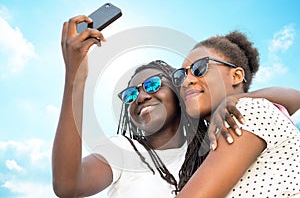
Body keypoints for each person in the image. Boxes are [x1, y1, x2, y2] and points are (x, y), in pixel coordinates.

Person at [52, 15, 300, 198]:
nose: (140, 97)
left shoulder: (221, 133)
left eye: (151, 85)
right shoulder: (126, 150)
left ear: (179, 95)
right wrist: (75, 77)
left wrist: (236, 99)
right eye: (129, 94)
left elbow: (291, 99)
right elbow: (67, 185)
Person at [171, 30, 300, 197]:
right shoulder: (213, 141)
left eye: (199, 68)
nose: (187, 81)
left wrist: (239, 98)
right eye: (180, 76)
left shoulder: (245, 112)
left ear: (236, 76)